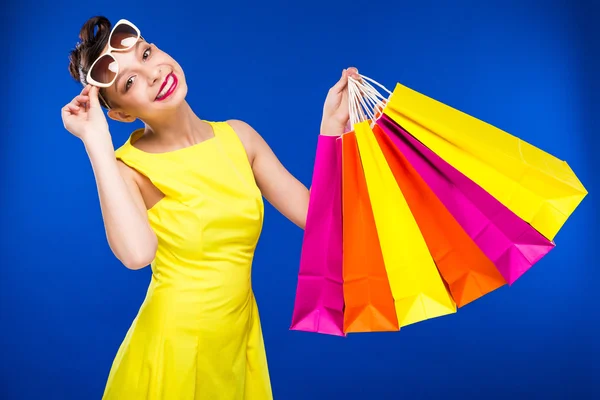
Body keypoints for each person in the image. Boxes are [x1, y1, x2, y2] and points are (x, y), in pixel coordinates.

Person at [61, 15, 360, 400]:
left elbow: (324, 221)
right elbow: (137, 254)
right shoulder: (129, 168)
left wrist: (332, 131)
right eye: (129, 82)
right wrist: (96, 141)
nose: (152, 74)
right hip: (173, 353)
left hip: (238, 346)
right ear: (119, 113)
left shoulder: (239, 137)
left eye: (146, 53)